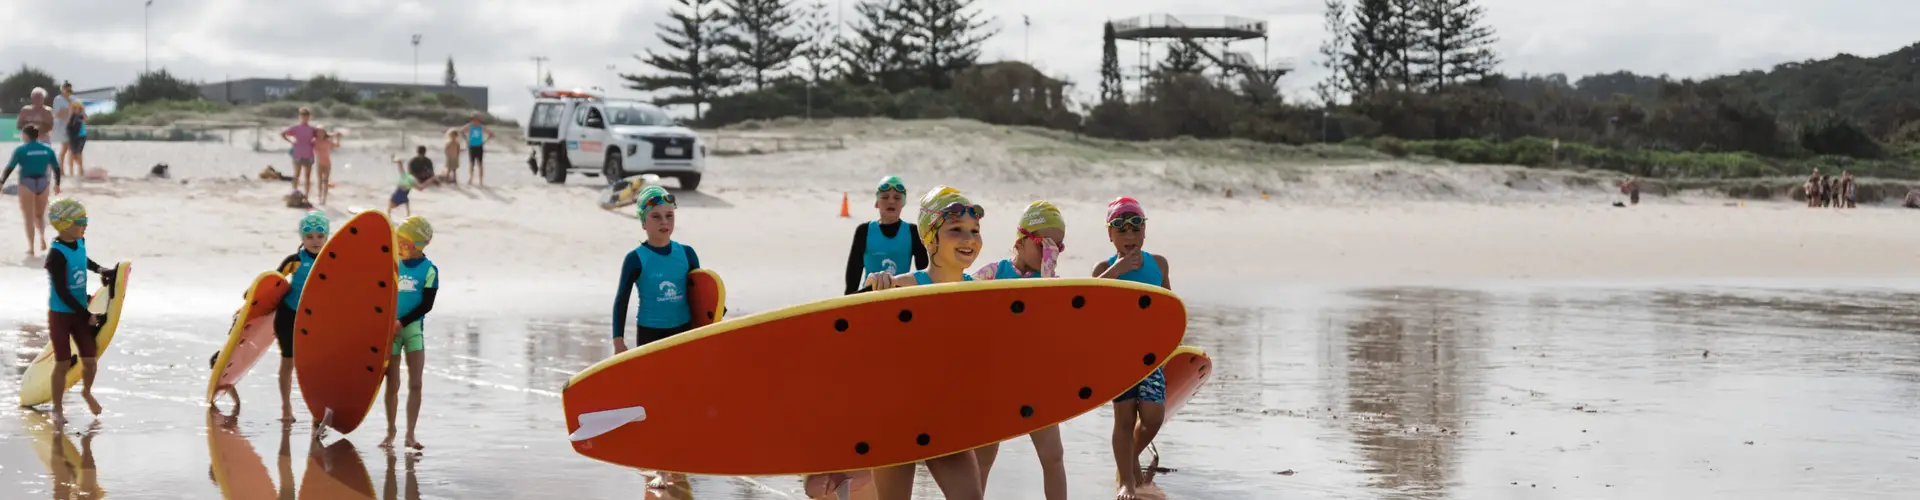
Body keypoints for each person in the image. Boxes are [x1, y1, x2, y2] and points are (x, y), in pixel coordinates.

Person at [861, 186, 988, 500]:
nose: (968, 239)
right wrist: (875, 289)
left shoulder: (983, 295)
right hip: (895, 417)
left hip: (946, 417)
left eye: (974, 231)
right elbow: (860, 340)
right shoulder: (903, 286)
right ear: (930, 237)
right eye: (955, 230)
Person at [968, 200, 1069, 500]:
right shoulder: (994, 272)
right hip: (995, 380)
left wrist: (1048, 268)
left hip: (1035, 382)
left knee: (1053, 456)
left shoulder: (1051, 283)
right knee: (982, 459)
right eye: (1043, 244)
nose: (1050, 252)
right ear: (1021, 241)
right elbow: (960, 298)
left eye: (1058, 247)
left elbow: (1054, 311)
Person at [609, 185, 701, 488]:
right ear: (643, 223)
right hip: (651, 335)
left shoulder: (686, 254)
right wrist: (618, 341)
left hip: (684, 333)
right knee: (657, 402)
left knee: (683, 401)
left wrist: (709, 325)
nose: (665, 222)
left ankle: (680, 457)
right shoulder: (635, 258)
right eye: (657, 216)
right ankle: (661, 465)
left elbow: (701, 295)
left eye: (669, 216)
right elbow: (621, 299)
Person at [1091, 196, 1172, 500]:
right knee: (1124, 420)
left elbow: (1169, 307)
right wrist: (1120, 269)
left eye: (1135, 231)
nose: (1129, 237)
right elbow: (1092, 300)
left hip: (1150, 354)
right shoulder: (1105, 268)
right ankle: (1126, 481)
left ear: (1144, 233)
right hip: (1118, 356)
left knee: (1153, 416)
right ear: (1110, 235)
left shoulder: (1158, 264)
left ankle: (1129, 458)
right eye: (1121, 231)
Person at [42, 198, 113, 425]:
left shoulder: (79, 240)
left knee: (90, 361)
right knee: (62, 363)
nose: (85, 225)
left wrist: (101, 269)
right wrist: (86, 315)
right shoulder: (55, 256)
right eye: (81, 221)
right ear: (64, 225)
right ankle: (57, 408)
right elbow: (62, 292)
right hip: (62, 315)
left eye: (86, 220)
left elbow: (83, 260)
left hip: (80, 312)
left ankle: (87, 391)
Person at [382, 216, 439, 451]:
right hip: (390, 332)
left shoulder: (429, 270)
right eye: (398, 243)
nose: (400, 248)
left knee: (415, 383)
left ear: (417, 245)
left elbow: (426, 305)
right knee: (392, 383)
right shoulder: (392, 265)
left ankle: (410, 434)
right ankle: (390, 432)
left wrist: (402, 322)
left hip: (413, 330)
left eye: (404, 244)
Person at [272, 211, 331, 423]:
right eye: (309, 236)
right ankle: (286, 408)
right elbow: (272, 285)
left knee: (315, 365)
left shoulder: (333, 261)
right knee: (288, 362)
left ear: (327, 237)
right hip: (288, 315)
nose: (315, 241)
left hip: (315, 319)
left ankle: (318, 409)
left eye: (319, 236)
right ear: (302, 238)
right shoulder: (294, 261)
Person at [843, 175, 929, 295]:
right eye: (885, 197)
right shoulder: (864, 231)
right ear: (876, 203)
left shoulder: (913, 232)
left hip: (899, 298)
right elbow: (853, 276)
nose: (891, 201)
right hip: (868, 297)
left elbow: (924, 274)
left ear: (903, 203)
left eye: (897, 198)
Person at [2, 126, 59, 258]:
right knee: (39, 214)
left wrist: (1, 182)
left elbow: (10, 167)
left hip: (27, 182)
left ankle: (31, 248)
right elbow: (56, 167)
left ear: (26, 136)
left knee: (29, 217)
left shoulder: (21, 150)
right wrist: (57, 184)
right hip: (43, 183)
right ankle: (42, 237)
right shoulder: (47, 149)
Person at [281, 108, 319, 199]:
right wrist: (291, 141)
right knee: (296, 175)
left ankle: (306, 195)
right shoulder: (296, 128)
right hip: (297, 154)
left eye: (307, 116)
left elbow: (321, 136)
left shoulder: (312, 129)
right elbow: (283, 134)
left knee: (307, 176)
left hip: (309, 154)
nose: (305, 118)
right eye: (303, 116)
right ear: (300, 116)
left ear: (309, 117)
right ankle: (294, 193)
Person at [463, 114, 495, 186]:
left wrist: (485, 141)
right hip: (472, 146)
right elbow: (462, 132)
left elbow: (491, 133)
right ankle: (470, 178)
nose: (476, 122)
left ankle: (481, 180)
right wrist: (467, 140)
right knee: (471, 163)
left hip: (479, 146)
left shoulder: (481, 127)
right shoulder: (469, 126)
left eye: (478, 120)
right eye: (475, 120)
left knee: (480, 163)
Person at [313, 127, 340, 205]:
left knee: (326, 181)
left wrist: (337, 138)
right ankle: (319, 196)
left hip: (327, 163)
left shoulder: (327, 142)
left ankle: (324, 198)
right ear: (317, 134)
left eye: (322, 133)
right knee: (320, 180)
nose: (320, 134)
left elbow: (337, 145)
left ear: (325, 134)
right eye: (319, 133)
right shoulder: (315, 141)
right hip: (319, 163)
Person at [51, 83, 73, 174]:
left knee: (72, 148)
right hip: (62, 127)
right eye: (67, 89)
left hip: (72, 127)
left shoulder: (73, 99)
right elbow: (56, 114)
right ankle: (61, 168)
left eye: (70, 90)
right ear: (62, 89)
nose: (68, 91)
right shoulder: (58, 99)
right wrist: (67, 111)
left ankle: (70, 170)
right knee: (65, 148)